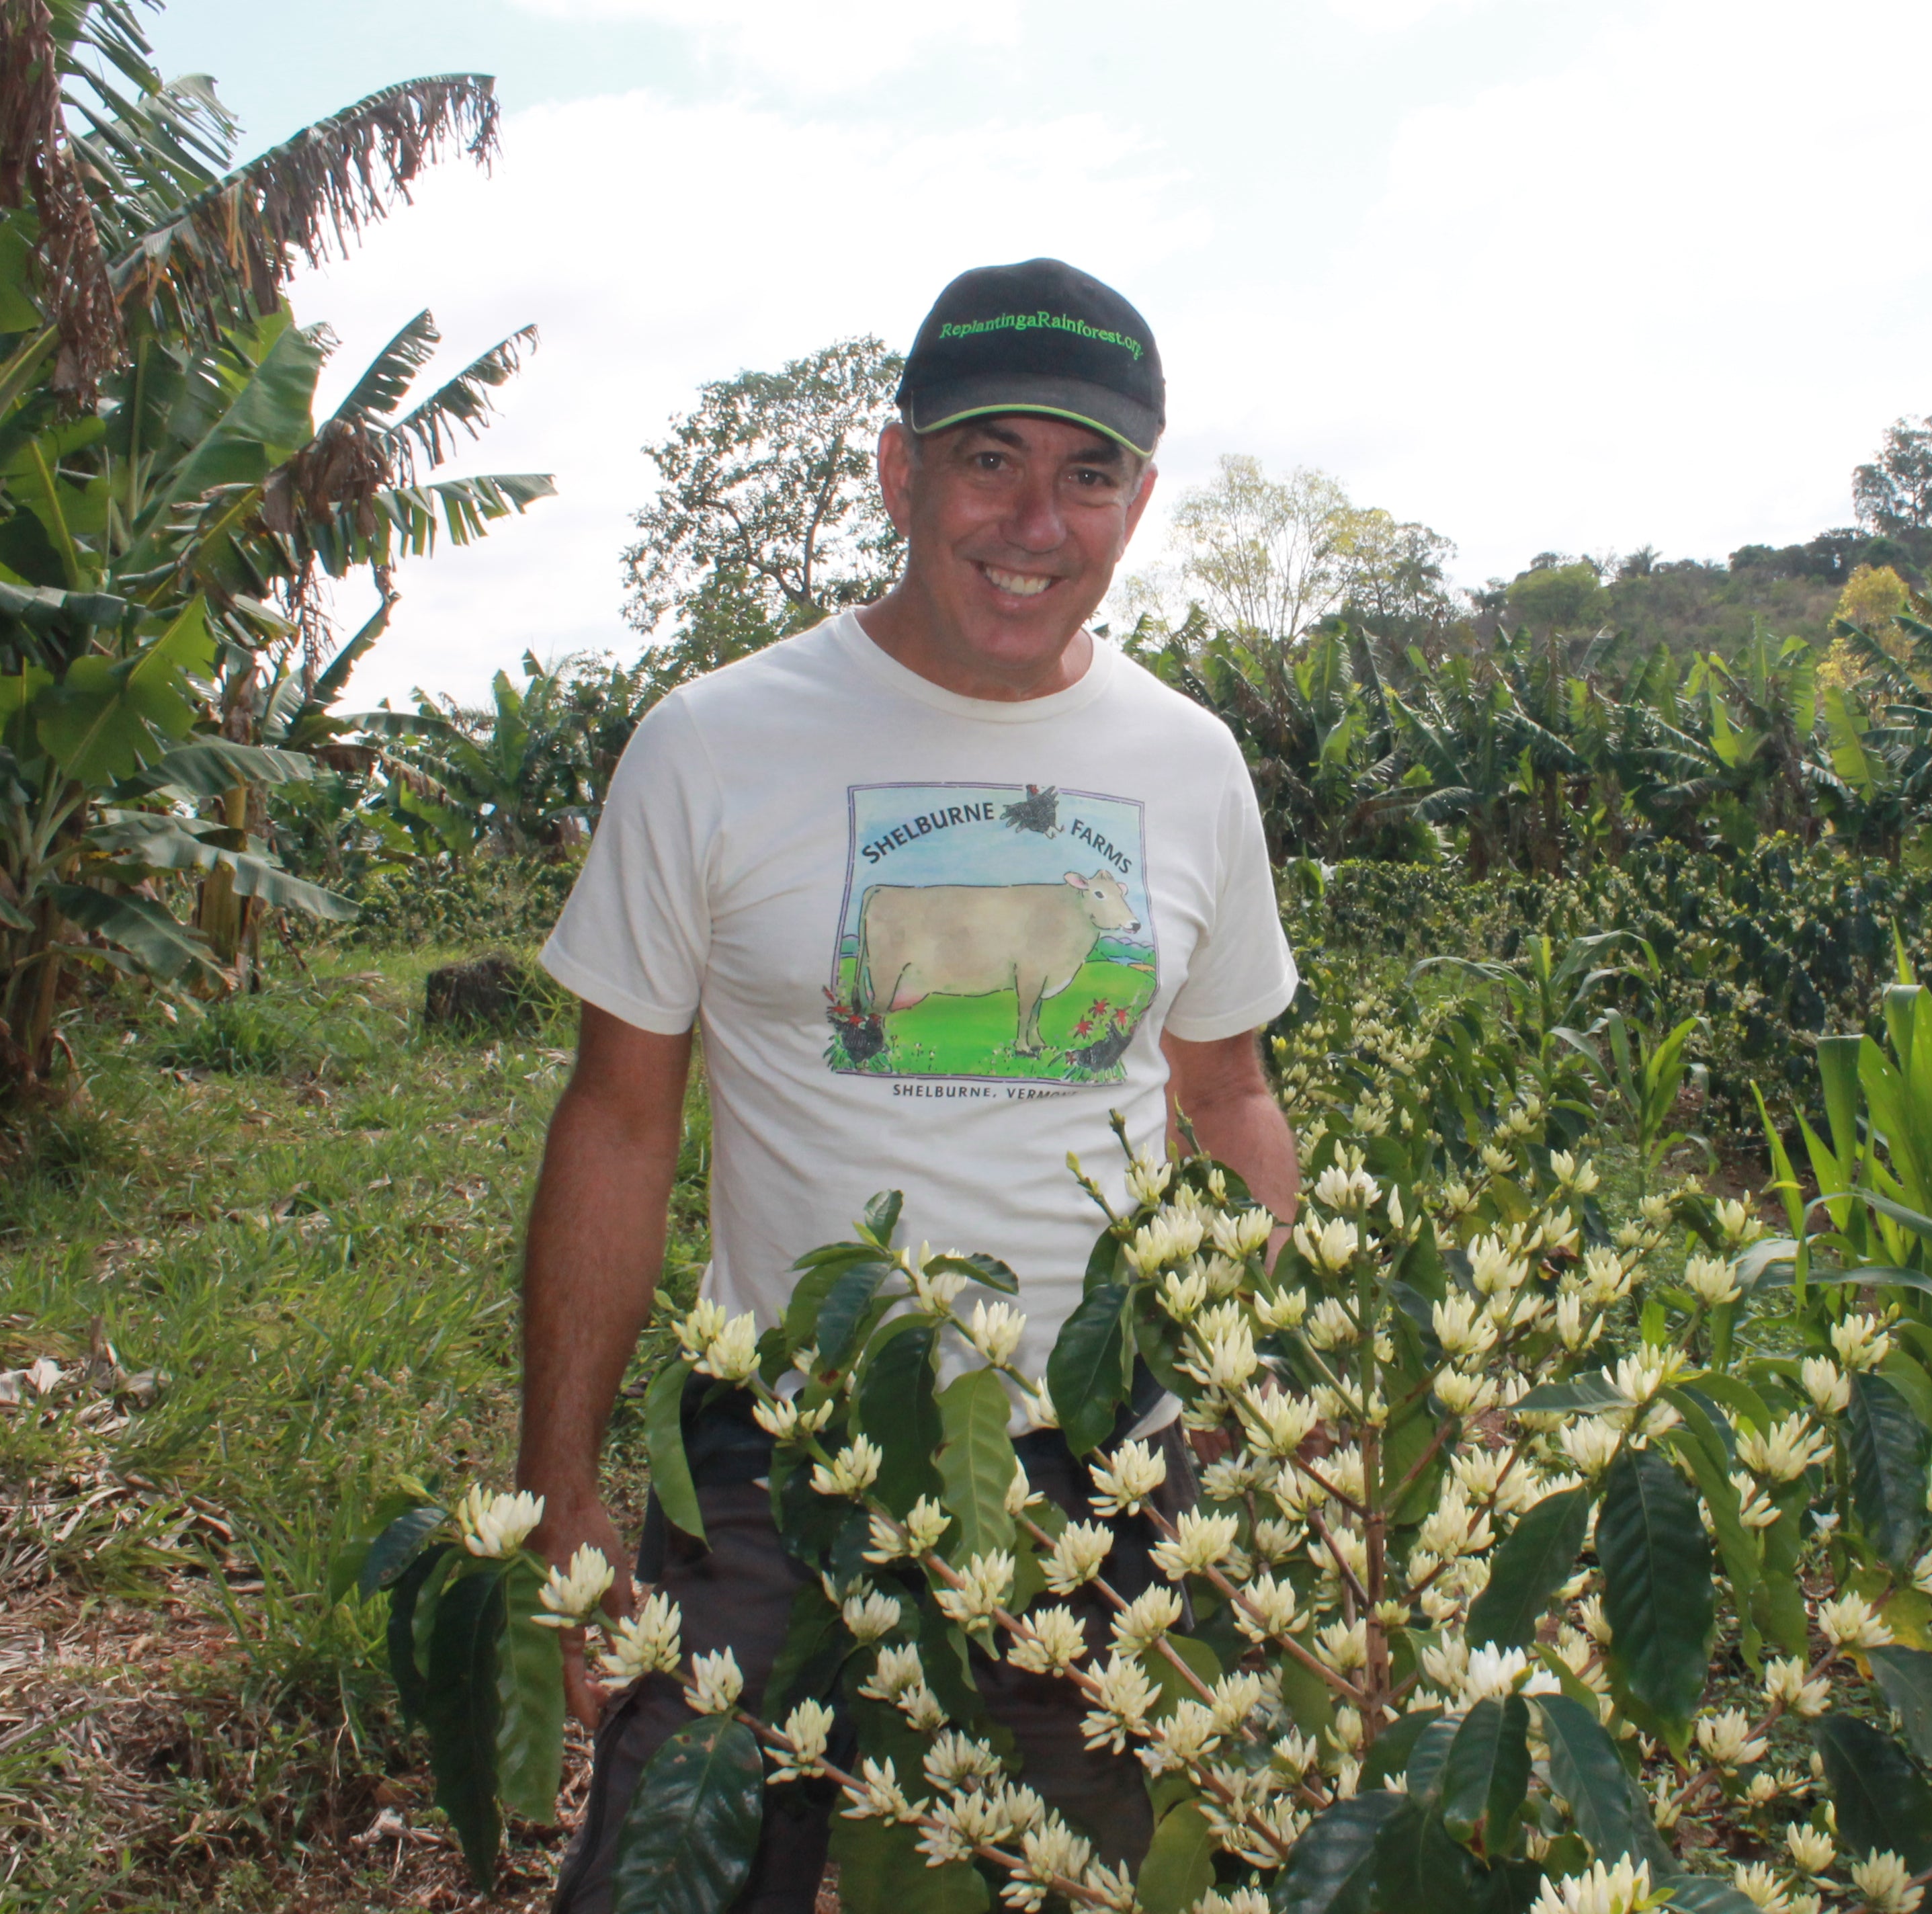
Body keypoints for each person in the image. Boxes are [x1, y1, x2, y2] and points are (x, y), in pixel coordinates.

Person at [518, 258, 1301, 1913]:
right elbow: (618, 1114)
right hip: (776, 1450)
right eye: (988, 458)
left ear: (1139, 499)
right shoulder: (713, 743)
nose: (1036, 518)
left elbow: (1222, 1092)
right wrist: (565, 1475)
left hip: (1100, 1465)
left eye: (1087, 471)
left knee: (1060, 1875)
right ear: (900, 470)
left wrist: (1269, 1408)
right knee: (679, 1870)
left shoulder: (1189, 764)